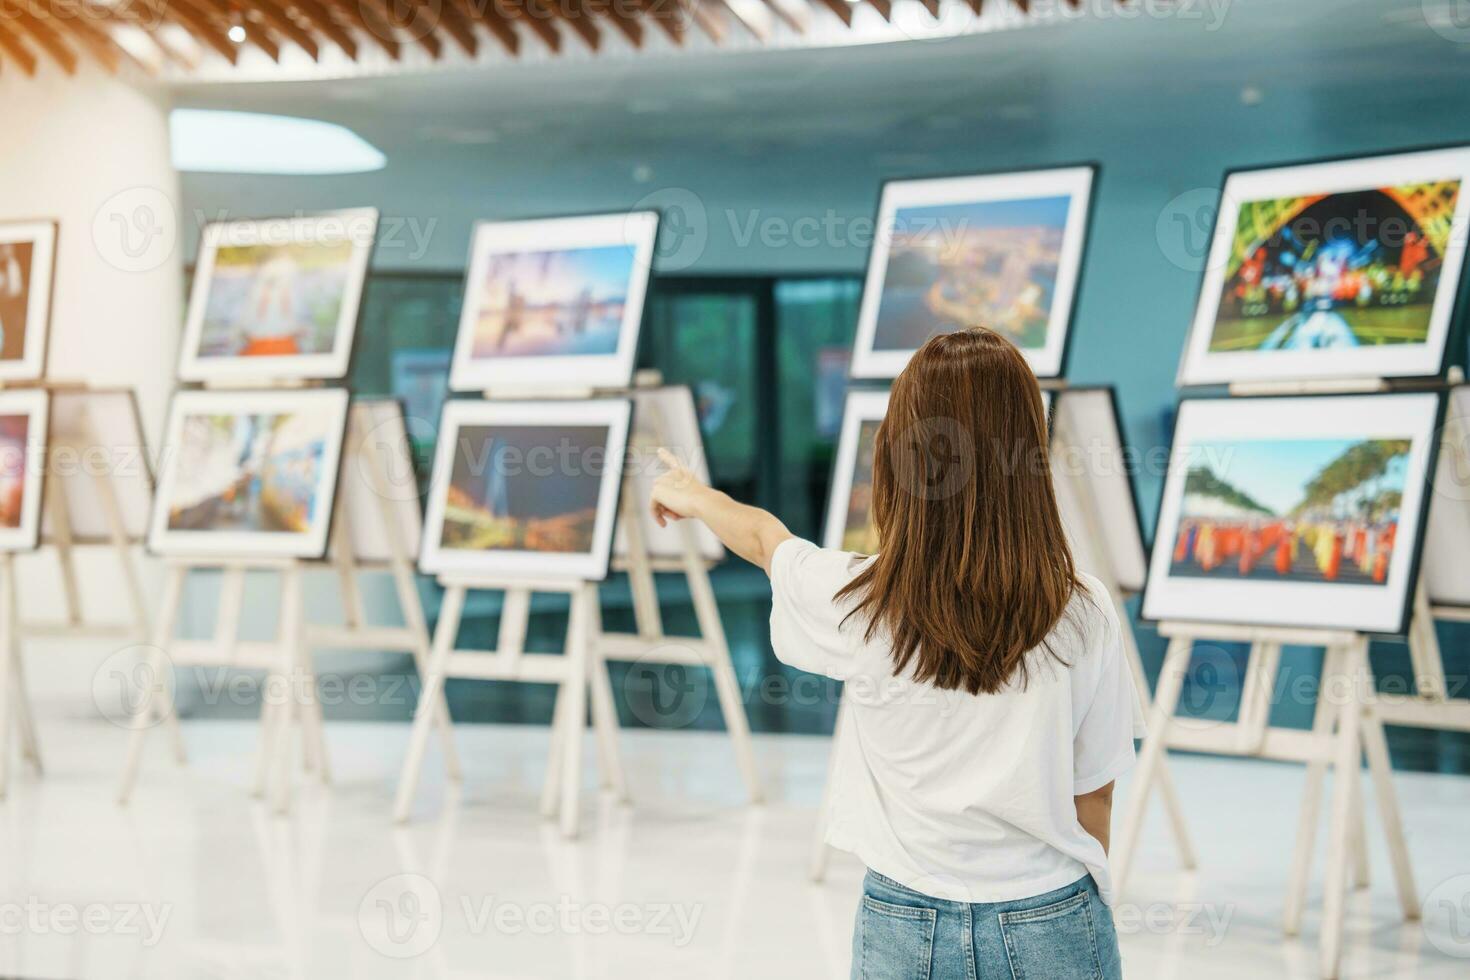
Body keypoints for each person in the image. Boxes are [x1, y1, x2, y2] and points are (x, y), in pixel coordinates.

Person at [650, 327, 1140, 980]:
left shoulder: (857, 602)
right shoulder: (1085, 610)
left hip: (904, 923)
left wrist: (696, 495)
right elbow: (1095, 795)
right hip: (1051, 916)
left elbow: (768, 541)